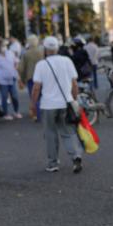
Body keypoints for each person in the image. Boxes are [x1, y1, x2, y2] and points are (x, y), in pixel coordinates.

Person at [30, 37, 82, 173]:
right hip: (66, 102)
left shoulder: (41, 64)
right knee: (69, 132)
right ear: (57, 48)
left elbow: (36, 87)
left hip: (48, 105)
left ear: (45, 49)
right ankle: (76, 156)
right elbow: (74, 84)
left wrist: (33, 104)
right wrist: (74, 99)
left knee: (50, 134)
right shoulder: (67, 61)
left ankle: (53, 164)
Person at [0, 39, 22, 119]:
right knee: (4, 97)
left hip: (12, 78)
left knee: (14, 96)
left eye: (4, 46)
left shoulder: (10, 53)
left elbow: (16, 61)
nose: (4, 47)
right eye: (2, 46)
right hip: (2, 81)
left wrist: (16, 67)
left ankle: (16, 112)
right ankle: (6, 114)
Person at [18, 35, 44, 121]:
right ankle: (45, 114)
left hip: (31, 78)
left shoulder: (26, 53)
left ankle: (38, 115)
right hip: (43, 77)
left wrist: (22, 79)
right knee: (43, 96)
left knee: (34, 97)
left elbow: (21, 68)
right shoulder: (42, 52)